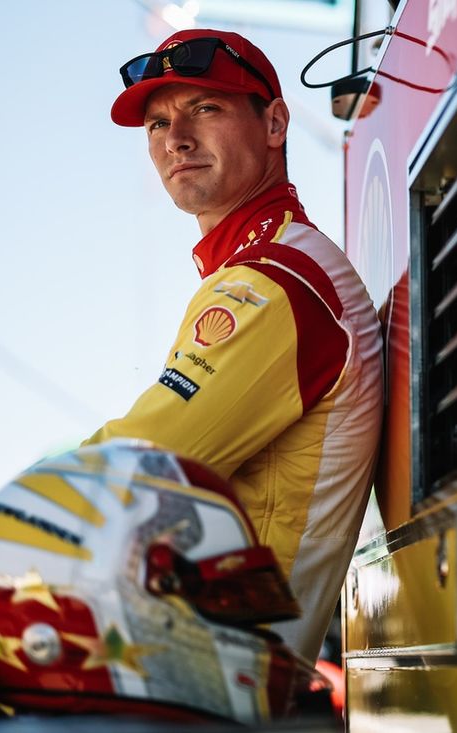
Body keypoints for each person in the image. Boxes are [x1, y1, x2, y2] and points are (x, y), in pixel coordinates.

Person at [87, 28, 383, 663]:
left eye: (205, 108)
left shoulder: (274, 282)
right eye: (158, 123)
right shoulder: (268, 266)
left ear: (275, 122)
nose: (176, 139)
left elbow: (137, 471)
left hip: (211, 678)